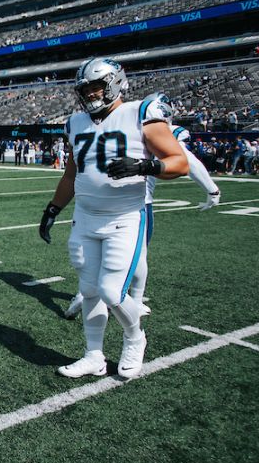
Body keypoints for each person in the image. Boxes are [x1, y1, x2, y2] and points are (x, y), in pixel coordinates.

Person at [38, 58, 188, 381]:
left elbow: (179, 162)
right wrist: (52, 209)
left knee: (111, 291)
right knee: (89, 289)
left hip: (124, 217)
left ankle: (135, 338)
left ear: (115, 83)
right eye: (85, 89)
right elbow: (71, 174)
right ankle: (94, 355)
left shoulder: (140, 112)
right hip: (85, 217)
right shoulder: (75, 123)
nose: (90, 94)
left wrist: (144, 167)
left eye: (96, 86)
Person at [63, 119, 218, 320]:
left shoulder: (111, 126)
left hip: (97, 200)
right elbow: (188, 162)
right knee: (136, 255)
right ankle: (134, 301)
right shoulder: (154, 129)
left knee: (93, 253)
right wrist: (212, 189)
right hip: (134, 203)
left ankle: (85, 294)